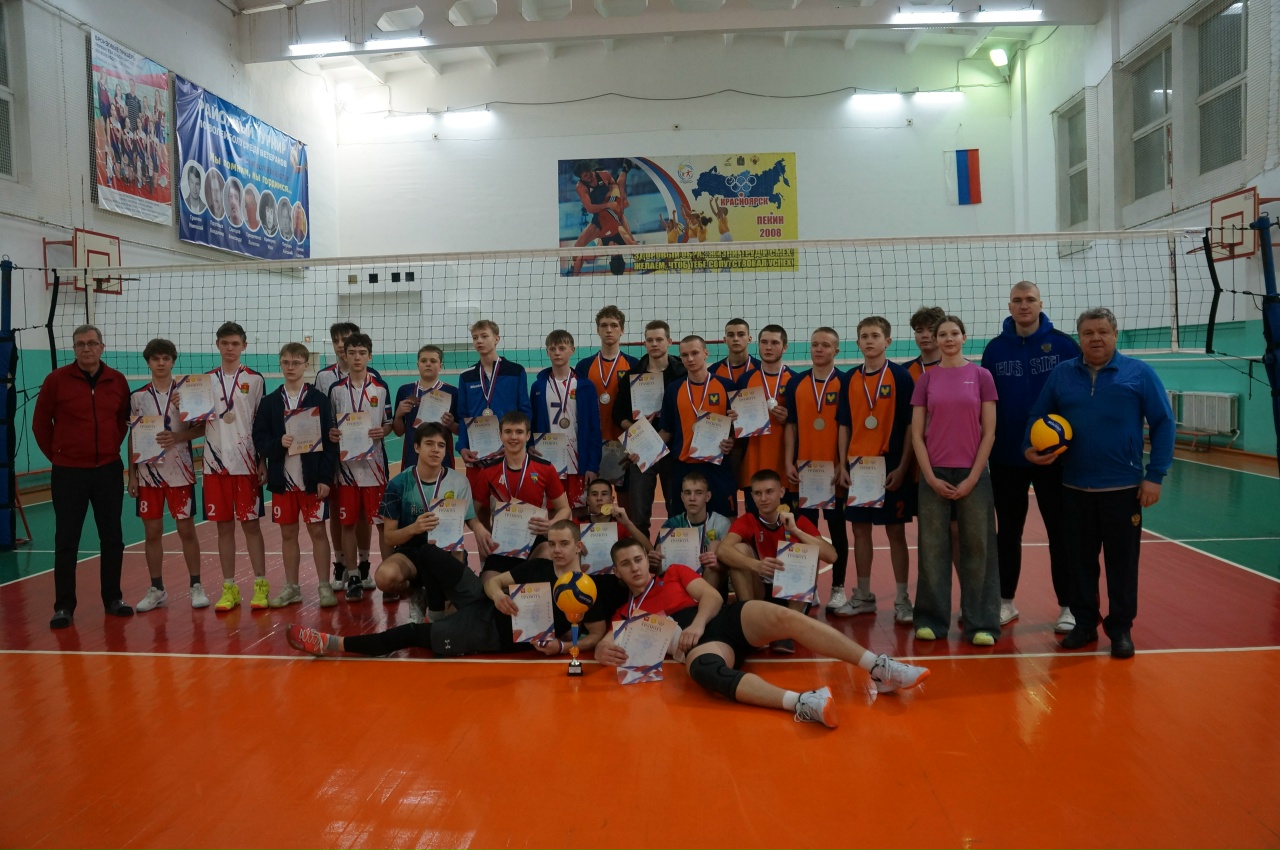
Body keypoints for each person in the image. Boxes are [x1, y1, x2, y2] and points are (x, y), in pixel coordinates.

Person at [595, 538, 930, 729]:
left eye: (638, 559)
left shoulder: (674, 574)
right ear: (618, 572)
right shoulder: (626, 611)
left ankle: (878, 667)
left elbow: (712, 597)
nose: (635, 567)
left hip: (722, 620)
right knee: (704, 671)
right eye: (626, 564)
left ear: (647, 560)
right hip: (707, 647)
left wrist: (695, 625)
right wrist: (600, 651)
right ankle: (803, 702)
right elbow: (607, 642)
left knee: (782, 615)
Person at [1025, 307, 1175, 660]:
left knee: (1122, 564)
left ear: (1115, 334)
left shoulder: (1138, 373)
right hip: (1074, 487)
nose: (1095, 338)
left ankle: (1120, 630)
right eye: (1088, 332)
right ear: (1079, 337)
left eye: (1103, 332)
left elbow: (1164, 423)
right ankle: (1084, 624)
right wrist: (1029, 449)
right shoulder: (1063, 374)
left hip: (1122, 489)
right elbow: (1037, 415)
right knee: (1079, 563)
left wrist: (1155, 475)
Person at [287, 521, 624, 659]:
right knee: (429, 553)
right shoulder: (538, 567)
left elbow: (595, 634)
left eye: (564, 544)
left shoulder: (586, 589)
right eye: (552, 544)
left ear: (579, 547)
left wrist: (562, 647)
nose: (557, 550)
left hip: (489, 632)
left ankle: (332, 644)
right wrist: (498, 595)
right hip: (485, 602)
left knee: (412, 634)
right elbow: (493, 582)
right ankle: (436, 609)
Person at [981, 281, 1081, 631]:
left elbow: (1077, 394)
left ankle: (1068, 606)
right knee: (1008, 532)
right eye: (1018, 300)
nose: (1024, 305)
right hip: (1007, 455)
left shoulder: (1064, 345)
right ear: (1009, 306)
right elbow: (986, 402)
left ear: (1041, 303)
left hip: (1055, 458)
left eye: (1030, 300)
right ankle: (1005, 602)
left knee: (1061, 532)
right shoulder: (995, 349)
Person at [910, 315, 1001, 646]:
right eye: (942, 334)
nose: (948, 339)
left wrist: (974, 477)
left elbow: (989, 432)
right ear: (936, 340)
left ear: (964, 336)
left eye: (954, 333)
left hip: (972, 473)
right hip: (934, 474)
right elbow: (917, 435)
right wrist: (930, 477)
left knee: (979, 548)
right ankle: (931, 620)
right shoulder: (926, 380)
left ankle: (982, 623)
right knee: (932, 548)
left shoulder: (981, 376)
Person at [33, 325, 132, 629]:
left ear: (102, 346)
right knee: (66, 540)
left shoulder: (117, 380)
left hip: (108, 471)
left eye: (91, 343)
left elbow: (122, 421)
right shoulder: (56, 381)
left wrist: (109, 448)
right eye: (80, 344)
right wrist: (60, 456)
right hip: (69, 474)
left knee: (112, 538)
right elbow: (40, 424)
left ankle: (113, 599)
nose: (86, 349)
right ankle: (64, 606)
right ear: (73, 349)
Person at [834, 317, 916, 623]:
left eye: (875, 336)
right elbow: (844, 425)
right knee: (859, 531)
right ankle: (864, 596)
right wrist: (842, 464)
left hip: (890, 466)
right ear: (857, 342)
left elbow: (910, 426)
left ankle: (903, 599)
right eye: (864, 336)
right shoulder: (849, 379)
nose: (869, 341)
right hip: (858, 469)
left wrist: (904, 466)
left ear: (887, 341)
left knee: (895, 532)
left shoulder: (901, 377)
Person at [377, 422, 493, 623]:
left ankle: (446, 595)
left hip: (446, 553)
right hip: (411, 553)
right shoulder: (398, 484)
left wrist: (480, 529)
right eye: (429, 444)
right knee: (384, 577)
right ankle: (417, 595)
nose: (435, 450)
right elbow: (389, 537)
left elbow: (470, 518)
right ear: (416, 447)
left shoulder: (458, 482)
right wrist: (414, 528)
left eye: (441, 445)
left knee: (451, 616)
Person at [253, 342, 339, 608]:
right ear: (280, 364)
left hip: (311, 481)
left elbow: (330, 442)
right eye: (286, 362)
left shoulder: (319, 399)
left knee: (317, 531)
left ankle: (324, 586)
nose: (290, 367)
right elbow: (260, 439)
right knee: (288, 534)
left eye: (296, 362)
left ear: (306, 365)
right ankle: (292, 587)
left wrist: (325, 478)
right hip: (283, 481)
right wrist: (278, 443)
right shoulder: (269, 403)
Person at [717, 469, 838, 653]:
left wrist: (796, 531)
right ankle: (751, 623)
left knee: (808, 553)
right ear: (752, 496)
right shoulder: (749, 520)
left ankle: (788, 629)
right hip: (761, 590)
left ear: (781, 492)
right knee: (738, 550)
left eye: (769, 492)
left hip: (791, 594)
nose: (763, 498)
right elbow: (722, 550)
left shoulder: (798, 520)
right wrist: (756, 565)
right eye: (758, 493)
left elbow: (831, 556)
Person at [128, 339, 206, 612]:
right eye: (156, 359)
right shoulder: (137, 397)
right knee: (152, 532)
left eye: (165, 358)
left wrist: (178, 437)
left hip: (180, 473)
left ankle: (196, 585)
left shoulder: (186, 392)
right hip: (148, 474)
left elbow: (203, 428)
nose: (161, 363)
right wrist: (132, 475)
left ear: (173, 361)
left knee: (186, 530)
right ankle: (156, 589)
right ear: (148, 362)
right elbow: (132, 437)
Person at [196, 322, 269, 612]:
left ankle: (260, 585)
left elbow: (261, 424)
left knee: (251, 526)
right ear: (217, 345)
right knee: (223, 528)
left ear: (244, 346)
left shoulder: (256, 380)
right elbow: (194, 421)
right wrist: (180, 403)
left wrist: (262, 460)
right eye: (225, 343)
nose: (230, 348)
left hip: (246, 464)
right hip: (214, 466)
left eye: (235, 343)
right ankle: (229, 588)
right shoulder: (203, 381)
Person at [783, 326, 851, 612]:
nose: (819, 349)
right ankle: (807, 589)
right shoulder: (796, 383)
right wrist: (788, 461)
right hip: (804, 472)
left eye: (825, 345)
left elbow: (847, 426)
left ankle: (838, 588)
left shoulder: (846, 382)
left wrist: (844, 464)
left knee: (837, 531)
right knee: (804, 532)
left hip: (835, 473)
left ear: (836, 350)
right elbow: (791, 426)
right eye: (814, 344)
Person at [326, 332, 393, 601]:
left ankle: (387, 577)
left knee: (381, 524)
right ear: (345, 355)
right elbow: (330, 426)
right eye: (352, 352)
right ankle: (353, 575)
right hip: (346, 471)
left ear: (369, 356)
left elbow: (388, 423)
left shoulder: (380, 387)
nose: (356, 357)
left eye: (362, 353)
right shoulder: (336, 390)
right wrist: (332, 433)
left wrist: (383, 431)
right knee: (348, 523)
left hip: (375, 468)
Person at [316, 322, 383, 588]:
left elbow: (383, 420)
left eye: (347, 341)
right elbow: (321, 416)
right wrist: (329, 432)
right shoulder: (325, 378)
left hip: (367, 459)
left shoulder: (375, 378)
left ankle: (363, 564)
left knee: (365, 514)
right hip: (338, 458)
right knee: (338, 512)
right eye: (337, 341)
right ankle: (341, 564)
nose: (342, 346)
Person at [612, 320, 686, 537]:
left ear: (669, 342)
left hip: (673, 450)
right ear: (644, 343)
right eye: (650, 340)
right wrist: (639, 429)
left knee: (676, 510)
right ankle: (640, 555)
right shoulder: (632, 375)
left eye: (659, 339)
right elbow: (618, 415)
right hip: (642, 449)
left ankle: (675, 552)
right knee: (639, 513)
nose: (654, 344)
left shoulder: (681, 373)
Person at [472, 411, 572, 565]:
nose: (513, 437)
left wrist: (552, 524)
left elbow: (565, 509)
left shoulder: (545, 468)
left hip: (535, 538)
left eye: (519, 432)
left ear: (527, 435)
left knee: (548, 554)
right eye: (508, 432)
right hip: (501, 541)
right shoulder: (487, 471)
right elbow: (471, 512)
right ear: (500, 435)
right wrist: (479, 529)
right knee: (489, 580)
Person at [658, 335, 738, 519]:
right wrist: (641, 451)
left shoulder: (727, 386)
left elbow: (737, 428)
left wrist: (732, 440)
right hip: (684, 468)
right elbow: (666, 431)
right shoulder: (673, 389)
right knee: (684, 524)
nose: (690, 359)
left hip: (717, 466)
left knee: (725, 522)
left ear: (706, 353)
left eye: (695, 353)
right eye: (685, 355)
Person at [456, 320, 532, 495]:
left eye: (484, 336)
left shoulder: (516, 371)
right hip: (477, 455)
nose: (479, 341)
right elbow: (462, 416)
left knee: (510, 502)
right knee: (479, 504)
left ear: (497, 339)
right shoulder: (466, 376)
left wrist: (516, 442)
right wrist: (462, 447)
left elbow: (525, 411)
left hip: (509, 451)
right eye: (475, 337)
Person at [530, 330, 602, 511]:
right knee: (550, 511)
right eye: (552, 349)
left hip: (578, 461)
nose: (557, 353)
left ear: (572, 350)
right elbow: (532, 422)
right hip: (548, 459)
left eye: (562, 348)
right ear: (547, 351)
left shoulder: (586, 386)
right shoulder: (538, 386)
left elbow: (594, 428)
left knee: (578, 511)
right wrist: (530, 445)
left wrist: (592, 466)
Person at [574, 306, 640, 501]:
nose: (609, 330)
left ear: (622, 330)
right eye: (604, 325)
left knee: (626, 499)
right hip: (593, 444)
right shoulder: (584, 366)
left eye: (614, 325)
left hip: (624, 443)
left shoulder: (634, 365)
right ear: (597, 330)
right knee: (592, 499)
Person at [734, 324, 792, 516]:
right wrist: (734, 418)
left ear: (784, 347)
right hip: (753, 465)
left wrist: (789, 419)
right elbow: (737, 426)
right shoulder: (745, 380)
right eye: (764, 342)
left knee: (785, 524)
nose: (768, 347)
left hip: (784, 468)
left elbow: (802, 423)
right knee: (755, 524)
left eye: (774, 343)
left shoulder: (795, 380)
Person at [652, 470, 732, 593]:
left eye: (698, 493)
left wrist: (717, 565)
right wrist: (653, 561)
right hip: (680, 585)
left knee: (715, 545)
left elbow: (731, 567)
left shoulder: (721, 523)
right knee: (660, 548)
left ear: (708, 496)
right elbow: (656, 568)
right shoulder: (672, 524)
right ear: (682, 497)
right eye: (687, 493)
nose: (692, 498)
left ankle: (705, 601)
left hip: (712, 586)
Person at [391, 344, 459, 475]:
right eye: (424, 361)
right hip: (412, 456)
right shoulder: (405, 390)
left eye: (433, 361)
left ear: (440, 366)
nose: (428, 364)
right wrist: (398, 415)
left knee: (442, 488)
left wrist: (451, 424)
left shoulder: (452, 392)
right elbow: (398, 432)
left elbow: (459, 430)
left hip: (442, 458)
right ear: (418, 365)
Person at [711, 318, 760, 387]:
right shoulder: (712, 371)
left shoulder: (760, 367)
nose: (735, 339)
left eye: (741, 335)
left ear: (749, 339)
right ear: (725, 340)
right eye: (731, 335)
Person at [905, 305, 946, 380]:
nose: (924, 335)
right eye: (919, 331)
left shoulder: (956, 366)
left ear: (942, 333)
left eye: (931, 330)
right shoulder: (905, 370)